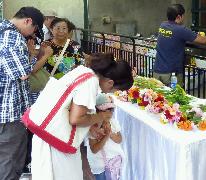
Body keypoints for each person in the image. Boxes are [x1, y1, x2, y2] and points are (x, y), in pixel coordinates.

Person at [30, 53, 133, 180]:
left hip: (48, 133)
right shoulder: (91, 82)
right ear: (110, 82)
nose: (108, 93)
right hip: (54, 140)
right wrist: (102, 116)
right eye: (114, 90)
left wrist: (91, 128)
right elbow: (76, 119)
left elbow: (70, 108)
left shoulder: (85, 71)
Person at [0, 7, 44, 180]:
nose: (31, 35)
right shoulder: (11, 35)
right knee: (9, 161)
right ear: (28, 21)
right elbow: (22, 73)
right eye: (34, 30)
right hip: (9, 112)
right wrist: (35, 55)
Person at [153, 4, 206, 86]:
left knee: (158, 97)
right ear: (179, 17)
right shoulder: (180, 29)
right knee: (174, 97)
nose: (184, 18)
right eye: (183, 15)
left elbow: (174, 38)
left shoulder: (163, 25)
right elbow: (203, 40)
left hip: (157, 71)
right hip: (171, 74)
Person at [86, 93, 124, 180]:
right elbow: (94, 149)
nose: (109, 113)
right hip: (100, 165)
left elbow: (119, 139)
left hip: (114, 161)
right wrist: (106, 136)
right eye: (105, 110)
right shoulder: (94, 127)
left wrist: (110, 133)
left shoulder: (113, 122)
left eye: (111, 110)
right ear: (97, 111)